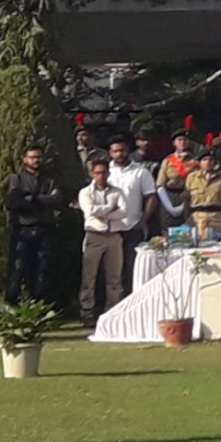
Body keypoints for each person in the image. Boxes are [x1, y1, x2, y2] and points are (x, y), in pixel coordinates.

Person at [5, 145, 63, 304]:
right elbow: (14, 202)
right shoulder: (17, 179)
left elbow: (57, 200)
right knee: (17, 270)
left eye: (38, 157)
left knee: (41, 271)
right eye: (32, 157)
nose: (35, 160)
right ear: (25, 159)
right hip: (22, 230)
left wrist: (32, 198)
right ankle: (12, 305)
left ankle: (37, 305)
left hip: (44, 230)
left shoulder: (50, 179)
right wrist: (42, 200)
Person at [77, 158, 127, 326]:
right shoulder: (86, 192)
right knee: (89, 277)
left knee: (114, 277)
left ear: (108, 173)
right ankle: (87, 312)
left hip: (113, 236)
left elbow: (124, 212)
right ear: (92, 174)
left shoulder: (117, 192)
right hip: (94, 236)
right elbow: (89, 211)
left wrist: (103, 212)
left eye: (104, 172)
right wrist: (110, 208)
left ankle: (112, 311)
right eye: (97, 173)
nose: (101, 176)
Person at [107, 137, 158, 295]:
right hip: (109, 229)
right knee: (111, 269)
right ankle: (112, 304)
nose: (119, 154)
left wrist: (143, 220)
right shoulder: (105, 171)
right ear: (110, 153)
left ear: (128, 151)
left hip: (132, 226)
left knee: (131, 266)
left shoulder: (140, 171)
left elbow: (151, 196)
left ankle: (131, 299)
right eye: (116, 151)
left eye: (122, 150)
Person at [187, 148, 221, 239]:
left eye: (211, 160)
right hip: (197, 217)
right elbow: (187, 199)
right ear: (199, 162)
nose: (208, 162)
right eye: (204, 160)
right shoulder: (192, 178)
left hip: (217, 217)